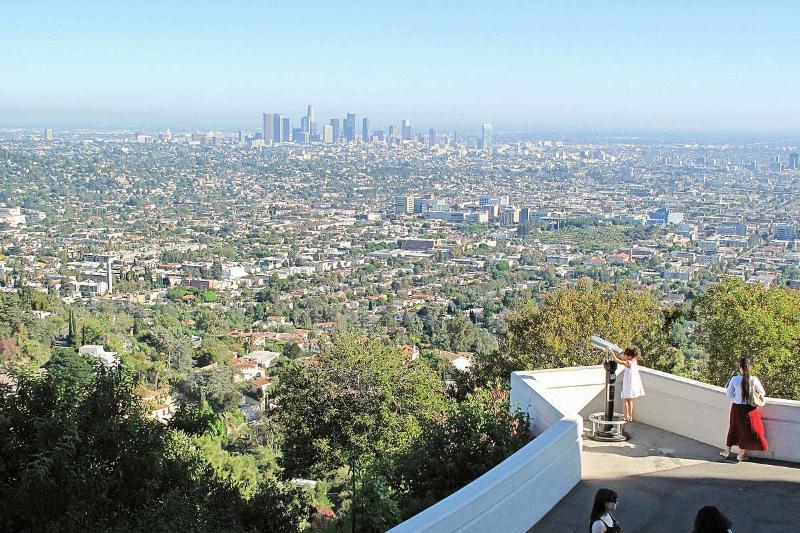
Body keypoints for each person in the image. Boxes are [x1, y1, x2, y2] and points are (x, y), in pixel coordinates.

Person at [720, 356, 768, 462]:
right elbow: (762, 393)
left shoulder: (735, 379)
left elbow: (729, 394)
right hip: (749, 409)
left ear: (740, 367)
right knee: (747, 431)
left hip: (736, 408)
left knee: (733, 429)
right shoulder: (753, 379)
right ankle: (740, 456)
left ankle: (726, 452)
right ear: (751, 367)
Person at [612, 346, 644, 422]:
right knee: (630, 400)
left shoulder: (628, 363)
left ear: (629, 356)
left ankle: (626, 416)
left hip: (628, 385)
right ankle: (630, 417)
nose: (624, 356)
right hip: (632, 384)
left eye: (625, 355)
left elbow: (617, 360)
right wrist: (618, 353)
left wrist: (611, 352)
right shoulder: (634, 361)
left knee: (625, 400)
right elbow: (622, 356)